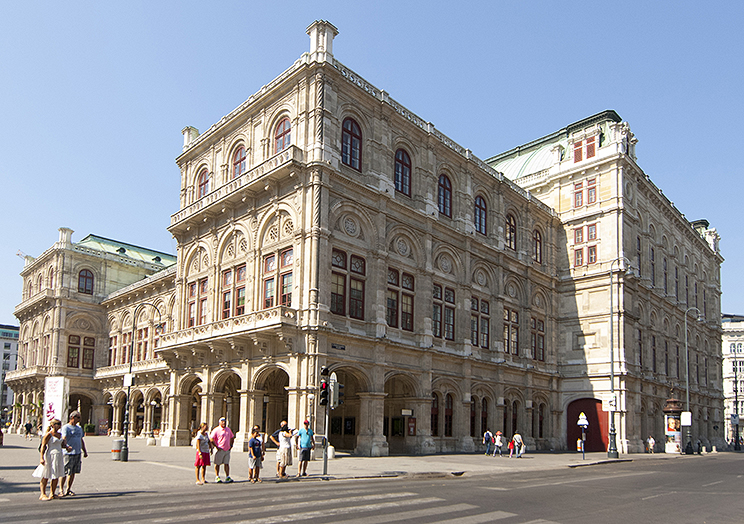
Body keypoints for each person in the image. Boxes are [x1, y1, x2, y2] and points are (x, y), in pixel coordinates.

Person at [33, 419, 69, 500]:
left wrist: (67, 447)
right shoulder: (48, 434)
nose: (59, 425)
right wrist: (41, 458)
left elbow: (62, 445)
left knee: (56, 474)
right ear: (53, 425)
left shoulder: (60, 434)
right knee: (46, 474)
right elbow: (43, 446)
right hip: (50, 455)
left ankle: (52, 493)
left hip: (59, 455)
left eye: (60, 424)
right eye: (57, 424)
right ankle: (42, 494)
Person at [60, 411, 87, 497]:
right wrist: (66, 446)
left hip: (77, 452)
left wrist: (84, 451)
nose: (79, 419)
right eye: (78, 417)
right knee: (64, 472)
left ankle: (68, 489)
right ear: (72, 417)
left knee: (73, 472)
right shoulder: (66, 427)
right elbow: (63, 438)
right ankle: (61, 489)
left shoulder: (79, 428)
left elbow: (81, 440)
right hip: (68, 453)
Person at [210, 417, 235, 483]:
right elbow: (211, 438)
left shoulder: (228, 429)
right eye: (222, 421)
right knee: (217, 463)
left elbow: (232, 437)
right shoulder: (216, 430)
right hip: (220, 449)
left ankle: (227, 476)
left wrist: (231, 445)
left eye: (224, 421)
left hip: (227, 449)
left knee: (226, 463)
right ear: (219, 422)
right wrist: (216, 446)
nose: (224, 423)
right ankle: (217, 476)